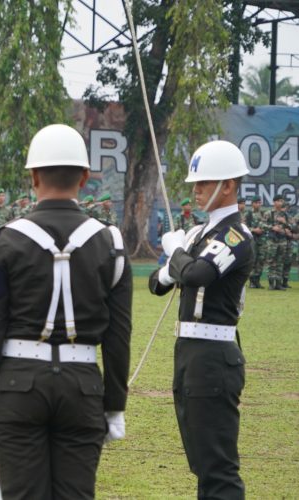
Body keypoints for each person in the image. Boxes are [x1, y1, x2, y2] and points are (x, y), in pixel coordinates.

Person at [0, 124, 132, 499]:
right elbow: (119, 336)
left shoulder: (4, 240)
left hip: (17, 387)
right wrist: (115, 404)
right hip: (83, 386)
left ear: (34, 176)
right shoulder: (111, 243)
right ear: (85, 177)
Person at [149, 140, 252, 499]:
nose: (196, 190)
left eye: (204, 183)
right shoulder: (199, 234)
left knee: (218, 468)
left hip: (214, 356)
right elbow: (156, 284)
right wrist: (166, 272)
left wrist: (175, 253)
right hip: (190, 354)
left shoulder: (236, 236)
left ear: (229, 186)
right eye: (195, 183)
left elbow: (197, 275)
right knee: (202, 463)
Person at [263, 194, 290, 291]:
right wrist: (272, 227)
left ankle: (278, 284)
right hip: (272, 241)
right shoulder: (269, 213)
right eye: (279, 201)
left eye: (282, 201)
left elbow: (292, 227)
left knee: (280, 263)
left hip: (282, 241)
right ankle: (271, 284)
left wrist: (285, 222)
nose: (281, 202)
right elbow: (262, 224)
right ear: (274, 202)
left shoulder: (285, 214)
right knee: (271, 262)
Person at [244, 196, 266, 288]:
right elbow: (244, 227)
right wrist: (254, 230)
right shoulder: (248, 214)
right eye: (256, 202)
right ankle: (252, 281)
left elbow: (268, 224)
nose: (258, 204)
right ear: (252, 203)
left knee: (261, 260)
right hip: (252, 240)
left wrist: (263, 229)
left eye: (259, 202)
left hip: (262, 240)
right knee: (253, 260)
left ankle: (257, 281)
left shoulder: (264, 213)